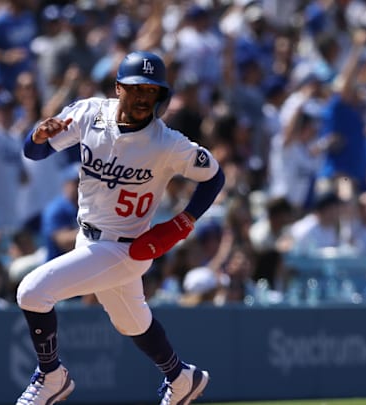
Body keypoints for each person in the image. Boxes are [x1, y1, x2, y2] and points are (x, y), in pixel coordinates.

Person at [15, 51, 224, 405]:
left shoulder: (168, 143)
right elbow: (34, 154)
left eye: (152, 90)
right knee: (131, 323)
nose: (144, 97)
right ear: (118, 88)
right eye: (136, 88)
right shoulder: (87, 113)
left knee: (32, 292)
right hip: (89, 238)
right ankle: (181, 376)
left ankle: (52, 377)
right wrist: (37, 137)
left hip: (128, 248)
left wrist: (184, 221)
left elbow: (214, 176)